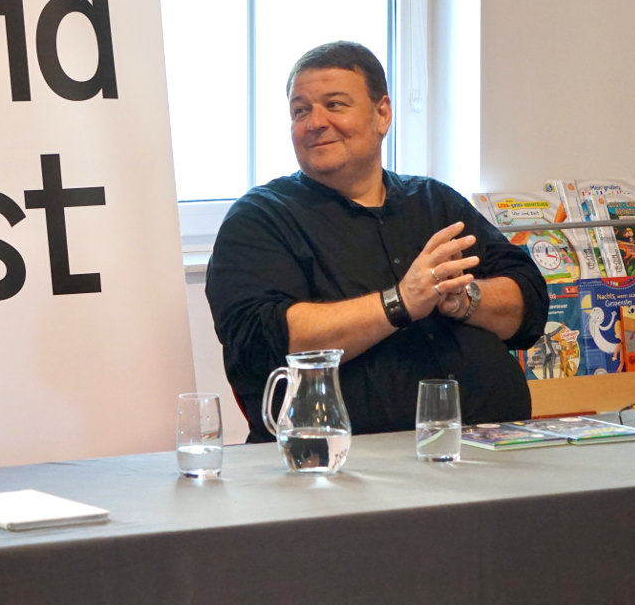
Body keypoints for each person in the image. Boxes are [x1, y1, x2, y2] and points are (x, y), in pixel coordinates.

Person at [206, 41, 547, 442]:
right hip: (337, 461)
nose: (314, 122)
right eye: (300, 111)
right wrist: (399, 302)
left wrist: (467, 299)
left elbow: (529, 303)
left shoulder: (435, 202)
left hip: (493, 445)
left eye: (334, 105)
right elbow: (261, 343)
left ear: (382, 113)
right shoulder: (260, 219)